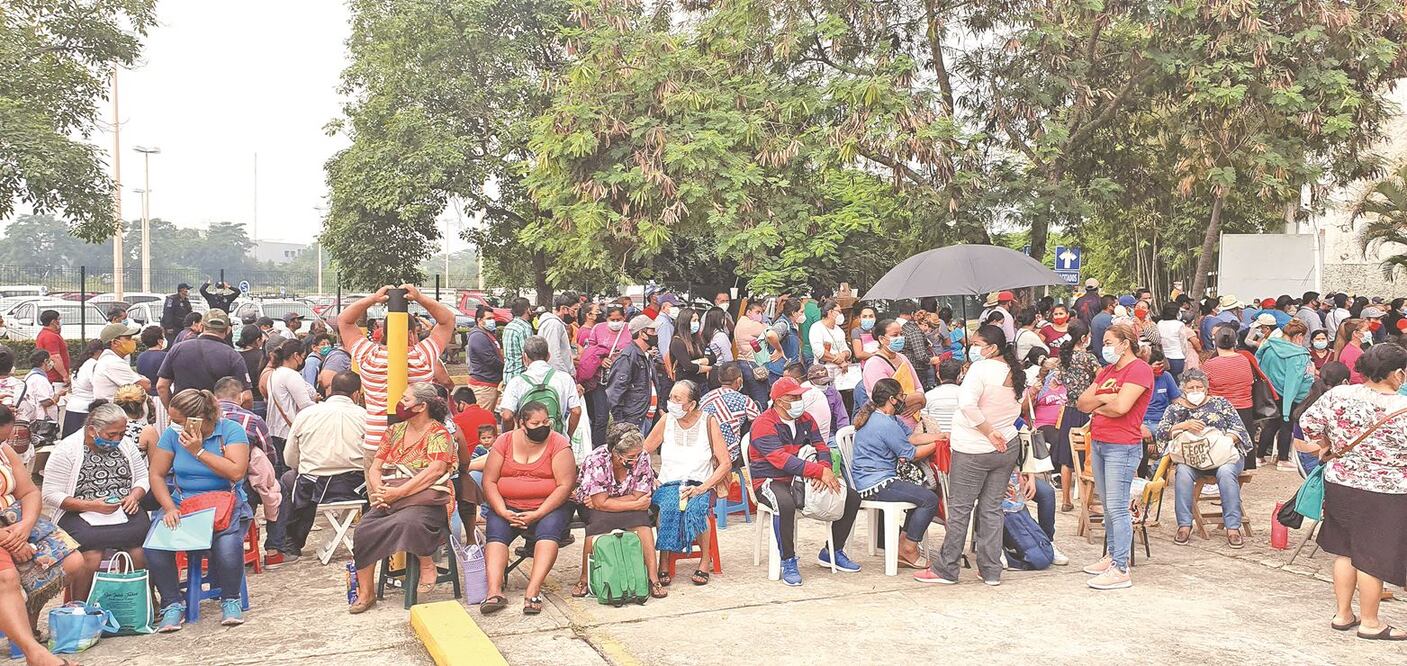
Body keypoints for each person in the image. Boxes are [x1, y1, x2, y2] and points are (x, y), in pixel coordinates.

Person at [1298, 343, 1407, 640]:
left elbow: (1308, 423)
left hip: (1340, 483)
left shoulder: (1338, 395)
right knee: (1372, 556)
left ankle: (1343, 614)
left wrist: (1326, 444)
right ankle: (1371, 622)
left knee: (1345, 551)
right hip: (1385, 491)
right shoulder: (1401, 407)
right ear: (1396, 374)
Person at [920, 325, 1025, 585]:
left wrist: (989, 431)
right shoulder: (1016, 371)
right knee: (992, 509)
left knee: (960, 510)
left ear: (992, 348)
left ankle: (947, 568)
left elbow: (967, 405)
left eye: (977, 344)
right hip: (1006, 446)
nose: (973, 349)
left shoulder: (980, 369)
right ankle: (990, 570)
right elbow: (1017, 407)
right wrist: (997, 431)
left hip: (973, 448)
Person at [144, 388, 253, 630]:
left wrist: (199, 452)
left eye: (179, 421)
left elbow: (236, 472)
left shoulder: (230, 431)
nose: (174, 425)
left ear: (198, 419)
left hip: (224, 502)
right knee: (155, 546)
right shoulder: (172, 435)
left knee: (227, 546)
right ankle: (172, 603)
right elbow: (157, 474)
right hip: (183, 502)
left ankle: (230, 598)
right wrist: (169, 507)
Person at [346, 383, 456, 614]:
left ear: (421, 406)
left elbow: (435, 470)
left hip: (425, 499)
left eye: (406, 399)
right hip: (391, 497)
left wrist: (401, 492)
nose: (401, 403)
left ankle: (427, 563)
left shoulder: (438, 433)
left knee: (410, 522)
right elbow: (376, 467)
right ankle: (366, 593)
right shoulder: (393, 431)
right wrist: (380, 492)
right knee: (363, 529)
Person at [748, 377, 862, 586]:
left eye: (800, 397)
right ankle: (788, 560)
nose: (799, 401)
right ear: (779, 401)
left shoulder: (806, 418)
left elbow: (822, 446)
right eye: (793, 398)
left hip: (803, 477)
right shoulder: (763, 423)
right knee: (785, 504)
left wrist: (824, 468)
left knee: (851, 497)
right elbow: (780, 459)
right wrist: (818, 471)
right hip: (770, 479)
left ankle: (833, 551)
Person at [0, 404, 84, 666]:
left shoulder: (4, 450)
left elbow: (29, 492)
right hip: (4, 533)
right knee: (6, 577)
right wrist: (10, 541)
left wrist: (24, 528)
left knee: (72, 561)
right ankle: (33, 652)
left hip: (14, 521)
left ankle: (25, 624)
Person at [41, 403, 150, 600]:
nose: (117, 439)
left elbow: (143, 477)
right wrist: (92, 505)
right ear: (92, 430)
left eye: (121, 433)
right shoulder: (67, 449)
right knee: (91, 555)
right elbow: (50, 494)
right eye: (111, 434)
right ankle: (79, 605)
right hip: (78, 512)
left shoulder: (126, 445)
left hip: (122, 509)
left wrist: (134, 495)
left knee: (139, 551)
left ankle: (135, 604)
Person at [1075, 324, 1153, 590]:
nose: (1105, 347)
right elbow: (1082, 403)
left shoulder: (1139, 369)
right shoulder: (1108, 371)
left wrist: (1099, 404)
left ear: (1125, 343)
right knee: (1108, 505)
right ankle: (1112, 555)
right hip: (1099, 442)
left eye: (1109, 342)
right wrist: (1106, 398)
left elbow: (1122, 407)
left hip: (1122, 445)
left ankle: (1121, 567)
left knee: (1118, 507)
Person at [479, 401, 576, 615]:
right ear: (522, 423)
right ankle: (494, 591)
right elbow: (489, 481)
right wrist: (502, 510)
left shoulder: (558, 444)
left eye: (546, 422)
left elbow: (565, 485)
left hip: (549, 506)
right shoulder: (504, 441)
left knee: (548, 533)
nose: (542, 426)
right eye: (535, 423)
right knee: (496, 535)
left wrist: (538, 513)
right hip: (507, 505)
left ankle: (533, 589)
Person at [337, 285, 454, 462]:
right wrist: (419, 298)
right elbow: (447, 320)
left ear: (384, 333)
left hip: (376, 444)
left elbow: (344, 321)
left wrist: (373, 299)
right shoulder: (423, 356)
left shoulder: (368, 356)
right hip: (417, 445)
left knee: (376, 481)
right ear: (410, 334)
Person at [645, 380, 731, 587]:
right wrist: (650, 477)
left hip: (700, 484)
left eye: (677, 399)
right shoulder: (666, 420)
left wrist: (703, 487)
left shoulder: (708, 422)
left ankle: (704, 561)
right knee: (668, 507)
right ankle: (664, 559)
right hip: (668, 484)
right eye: (671, 397)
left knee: (697, 510)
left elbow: (725, 463)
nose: (671, 402)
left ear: (691, 404)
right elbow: (643, 452)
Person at [849, 378, 940, 570]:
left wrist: (940, 436)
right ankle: (908, 547)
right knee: (929, 499)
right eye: (901, 396)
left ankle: (904, 543)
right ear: (892, 399)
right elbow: (911, 454)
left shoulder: (887, 418)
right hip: (876, 484)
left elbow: (911, 437)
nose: (903, 400)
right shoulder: (884, 423)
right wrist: (937, 445)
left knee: (922, 491)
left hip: (876, 479)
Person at [1155, 369, 1252, 547]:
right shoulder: (1175, 409)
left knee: (1226, 473)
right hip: (1192, 458)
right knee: (1182, 473)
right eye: (1191, 387)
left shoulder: (1221, 403)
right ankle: (1184, 525)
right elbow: (1161, 433)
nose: (1195, 391)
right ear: (1183, 389)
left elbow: (1239, 429)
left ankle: (1233, 527)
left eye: (1199, 387)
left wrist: (1221, 442)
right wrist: (1184, 426)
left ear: (1206, 388)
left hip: (1223, 456)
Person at [277, 372, 367, 561]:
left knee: (288, 479)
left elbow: (289, 458)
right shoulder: (364, 416)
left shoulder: (306, 415)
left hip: (312, 489)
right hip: (356, 487)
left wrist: (309, 468)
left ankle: (290, 543)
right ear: (356, 394)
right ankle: (369, 538)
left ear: (330, 390)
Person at [569, 424, 664, 598]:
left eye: (637, 454)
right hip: (592, 505)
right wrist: (634, 503)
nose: (636, 459)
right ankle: (584, 578)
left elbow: (639, 495)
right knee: (597, 525)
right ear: (615, 452)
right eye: (630, 456)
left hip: (614, 501)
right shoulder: (597, 459)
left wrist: (609, 502)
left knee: (643, 524)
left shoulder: (642, 457)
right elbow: (599, 503)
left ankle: (653, 578)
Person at [156, 309, 250, 404]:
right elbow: (247, 397)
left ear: (201, 326)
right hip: (215, 411)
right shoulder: (233, 356)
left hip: (183, 409)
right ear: (228, 330)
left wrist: (172, 409)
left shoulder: (178, 349)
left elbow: (162, 386)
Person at [1257, 319, 1313, 470]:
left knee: (1272, 424)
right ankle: (1283, 459)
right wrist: (1288, 406)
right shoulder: (1297, 354)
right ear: (1299, 335)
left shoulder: (1269, 346)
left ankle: (1259, 456)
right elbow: (1293, 381)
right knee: (1286, 424)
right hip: (1291, 395)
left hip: (1271, 391)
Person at [498, 336, 582, 434]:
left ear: (524, 357)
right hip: (556, 438)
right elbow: (576, 411)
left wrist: (508, 438)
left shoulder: (516, 382)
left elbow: (507, 416)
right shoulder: (565, 378)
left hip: (526, 440)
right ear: (548, 356)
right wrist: (568, 436)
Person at [264, 338, 317, 474]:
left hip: (275, 429)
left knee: (281, 470)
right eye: (303, 356)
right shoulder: (291, 375)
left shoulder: (275, 373)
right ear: (295, 355)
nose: (303, 360)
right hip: (288, 431)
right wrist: (322, 408)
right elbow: (305, 404)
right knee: (292, 471)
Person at [1202, 324, 1257, 450]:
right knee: (1244, 447)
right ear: (1235, 342)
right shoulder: (1245, 360)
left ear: (1215, 342)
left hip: (1219, 409)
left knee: (1220, 450)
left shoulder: (1210, 364)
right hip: (1244, 408)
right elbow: (1250, 381)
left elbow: (1203, 387)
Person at [604, 315, 657, 434]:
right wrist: (620, 422)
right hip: (633, 419)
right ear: (642, 334)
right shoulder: (628, 357)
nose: (656, 334)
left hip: (645, 416)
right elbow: (615, 391)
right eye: (652, 331)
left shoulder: (645, 355)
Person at [861, 320, 924, 420]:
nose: (900, 338)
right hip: (892, 421)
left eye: (901, 334)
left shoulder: (903, 358)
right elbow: (887, 400)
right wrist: (919, 398)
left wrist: (919, 403)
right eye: (895, 335)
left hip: (915, 418)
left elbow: (918, 387)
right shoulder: (874, 364)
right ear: (881, 339)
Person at [700, 362, 762, 463]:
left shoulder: (704, 398)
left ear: (719, 379)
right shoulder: (745, 400)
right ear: (739, 380)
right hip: (730, 456)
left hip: (704, 453)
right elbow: (759, 424)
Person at [92, 322, 149, 401]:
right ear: (115, 343)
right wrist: (143, 378)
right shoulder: (113, 363)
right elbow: (145, 385)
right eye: (128, 338)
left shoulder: (109, 360)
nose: (132, 341)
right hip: (114, 408)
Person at [60, 340, 105, 437]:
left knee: (70, 441)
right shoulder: (94, 365)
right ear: (99, 352)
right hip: (85, 410)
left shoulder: (81, 364)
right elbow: (98, 385)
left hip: (72, 407)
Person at [897, 301, 940, 391]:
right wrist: (931, 360)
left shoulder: (905, 326)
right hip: (916, 368)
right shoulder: (914, 331)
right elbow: (920, 355)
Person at [809, 298, 851, 384]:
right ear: (830, 312)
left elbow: (847, 350)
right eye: (839, 311)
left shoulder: (839, 330)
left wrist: (843, 355)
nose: (841, 314)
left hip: (840, 374)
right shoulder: (816, 328)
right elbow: (819, 352)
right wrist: (838, 360)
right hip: (823, 374)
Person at [763, 300, 805, 381]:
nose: (803, 315)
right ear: (793, 313)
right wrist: (779, 350)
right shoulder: (783, 324)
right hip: (779, 373)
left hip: (786, 371)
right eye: (801, 312)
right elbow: (770, 335)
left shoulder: (793, 325)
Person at [668, 308, 711, 386]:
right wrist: (710, 368)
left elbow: (712, 357)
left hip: (702, 382)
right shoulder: (677, 342)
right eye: (694, 320)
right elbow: (688, 366)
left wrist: (698, 362)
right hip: (686, 384)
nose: (697, 323)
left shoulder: (699, 339)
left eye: (698, 320)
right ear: (685, 322)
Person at [536, 293, 577, 376]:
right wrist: (566, 377)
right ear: (564, 309)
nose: (576, 315)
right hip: (557, 376)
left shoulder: (555, 323)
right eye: (574, 310)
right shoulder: (554, 324)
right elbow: (554, 356)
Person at [19, 350, 61, 427]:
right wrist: (58, 395)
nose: (51, 363)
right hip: (42, 420)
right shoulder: (40, 379)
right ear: (45, 361)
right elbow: (45, 402)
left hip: (33, 417)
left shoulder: (30, 375)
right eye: (50, 360)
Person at [922, 358, 963, 434]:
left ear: (938, 375)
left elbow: (924, 421)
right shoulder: (967, 394)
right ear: (959, 376)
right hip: (961, 438)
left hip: (935, 439)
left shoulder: (928, 396)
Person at [501, 297, 534, 385]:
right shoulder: (525, 328)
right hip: (520, 377)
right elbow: (527, 355)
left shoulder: (508, 326)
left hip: (508, 375)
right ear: (528, 309)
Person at [1156, 302, 1192, 378]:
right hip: (1177, 357)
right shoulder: (1179, 324)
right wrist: (1185, 357)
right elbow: (1183, 343)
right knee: (1176, 380)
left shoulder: (1160, 323)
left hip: (1163, 357)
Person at [34, 309, 69, 385]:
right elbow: (55, 358)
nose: (60, 321)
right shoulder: (50, 336)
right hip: (55, 378)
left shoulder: (47, 334)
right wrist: (65, 376)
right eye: (58, 319)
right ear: (53, 321)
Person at [1333, 318, 1369, 383]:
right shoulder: (1352, 352)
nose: (1369, 332)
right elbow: (1354, 378)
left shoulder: (1355, 348)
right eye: (1366, 330)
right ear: (1355, 333)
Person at [135, 325, 167, 394]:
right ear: (159, 341)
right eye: (163, 338)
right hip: (161, 393)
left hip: (145, 392)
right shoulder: (165, 356)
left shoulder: (140, 357)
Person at [1089, 295, 1117, 362]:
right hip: (1107, 358)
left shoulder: (1095, 318)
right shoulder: (1110, 320)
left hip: (1099, 356)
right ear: (1109, 306)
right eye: (1116, 305)